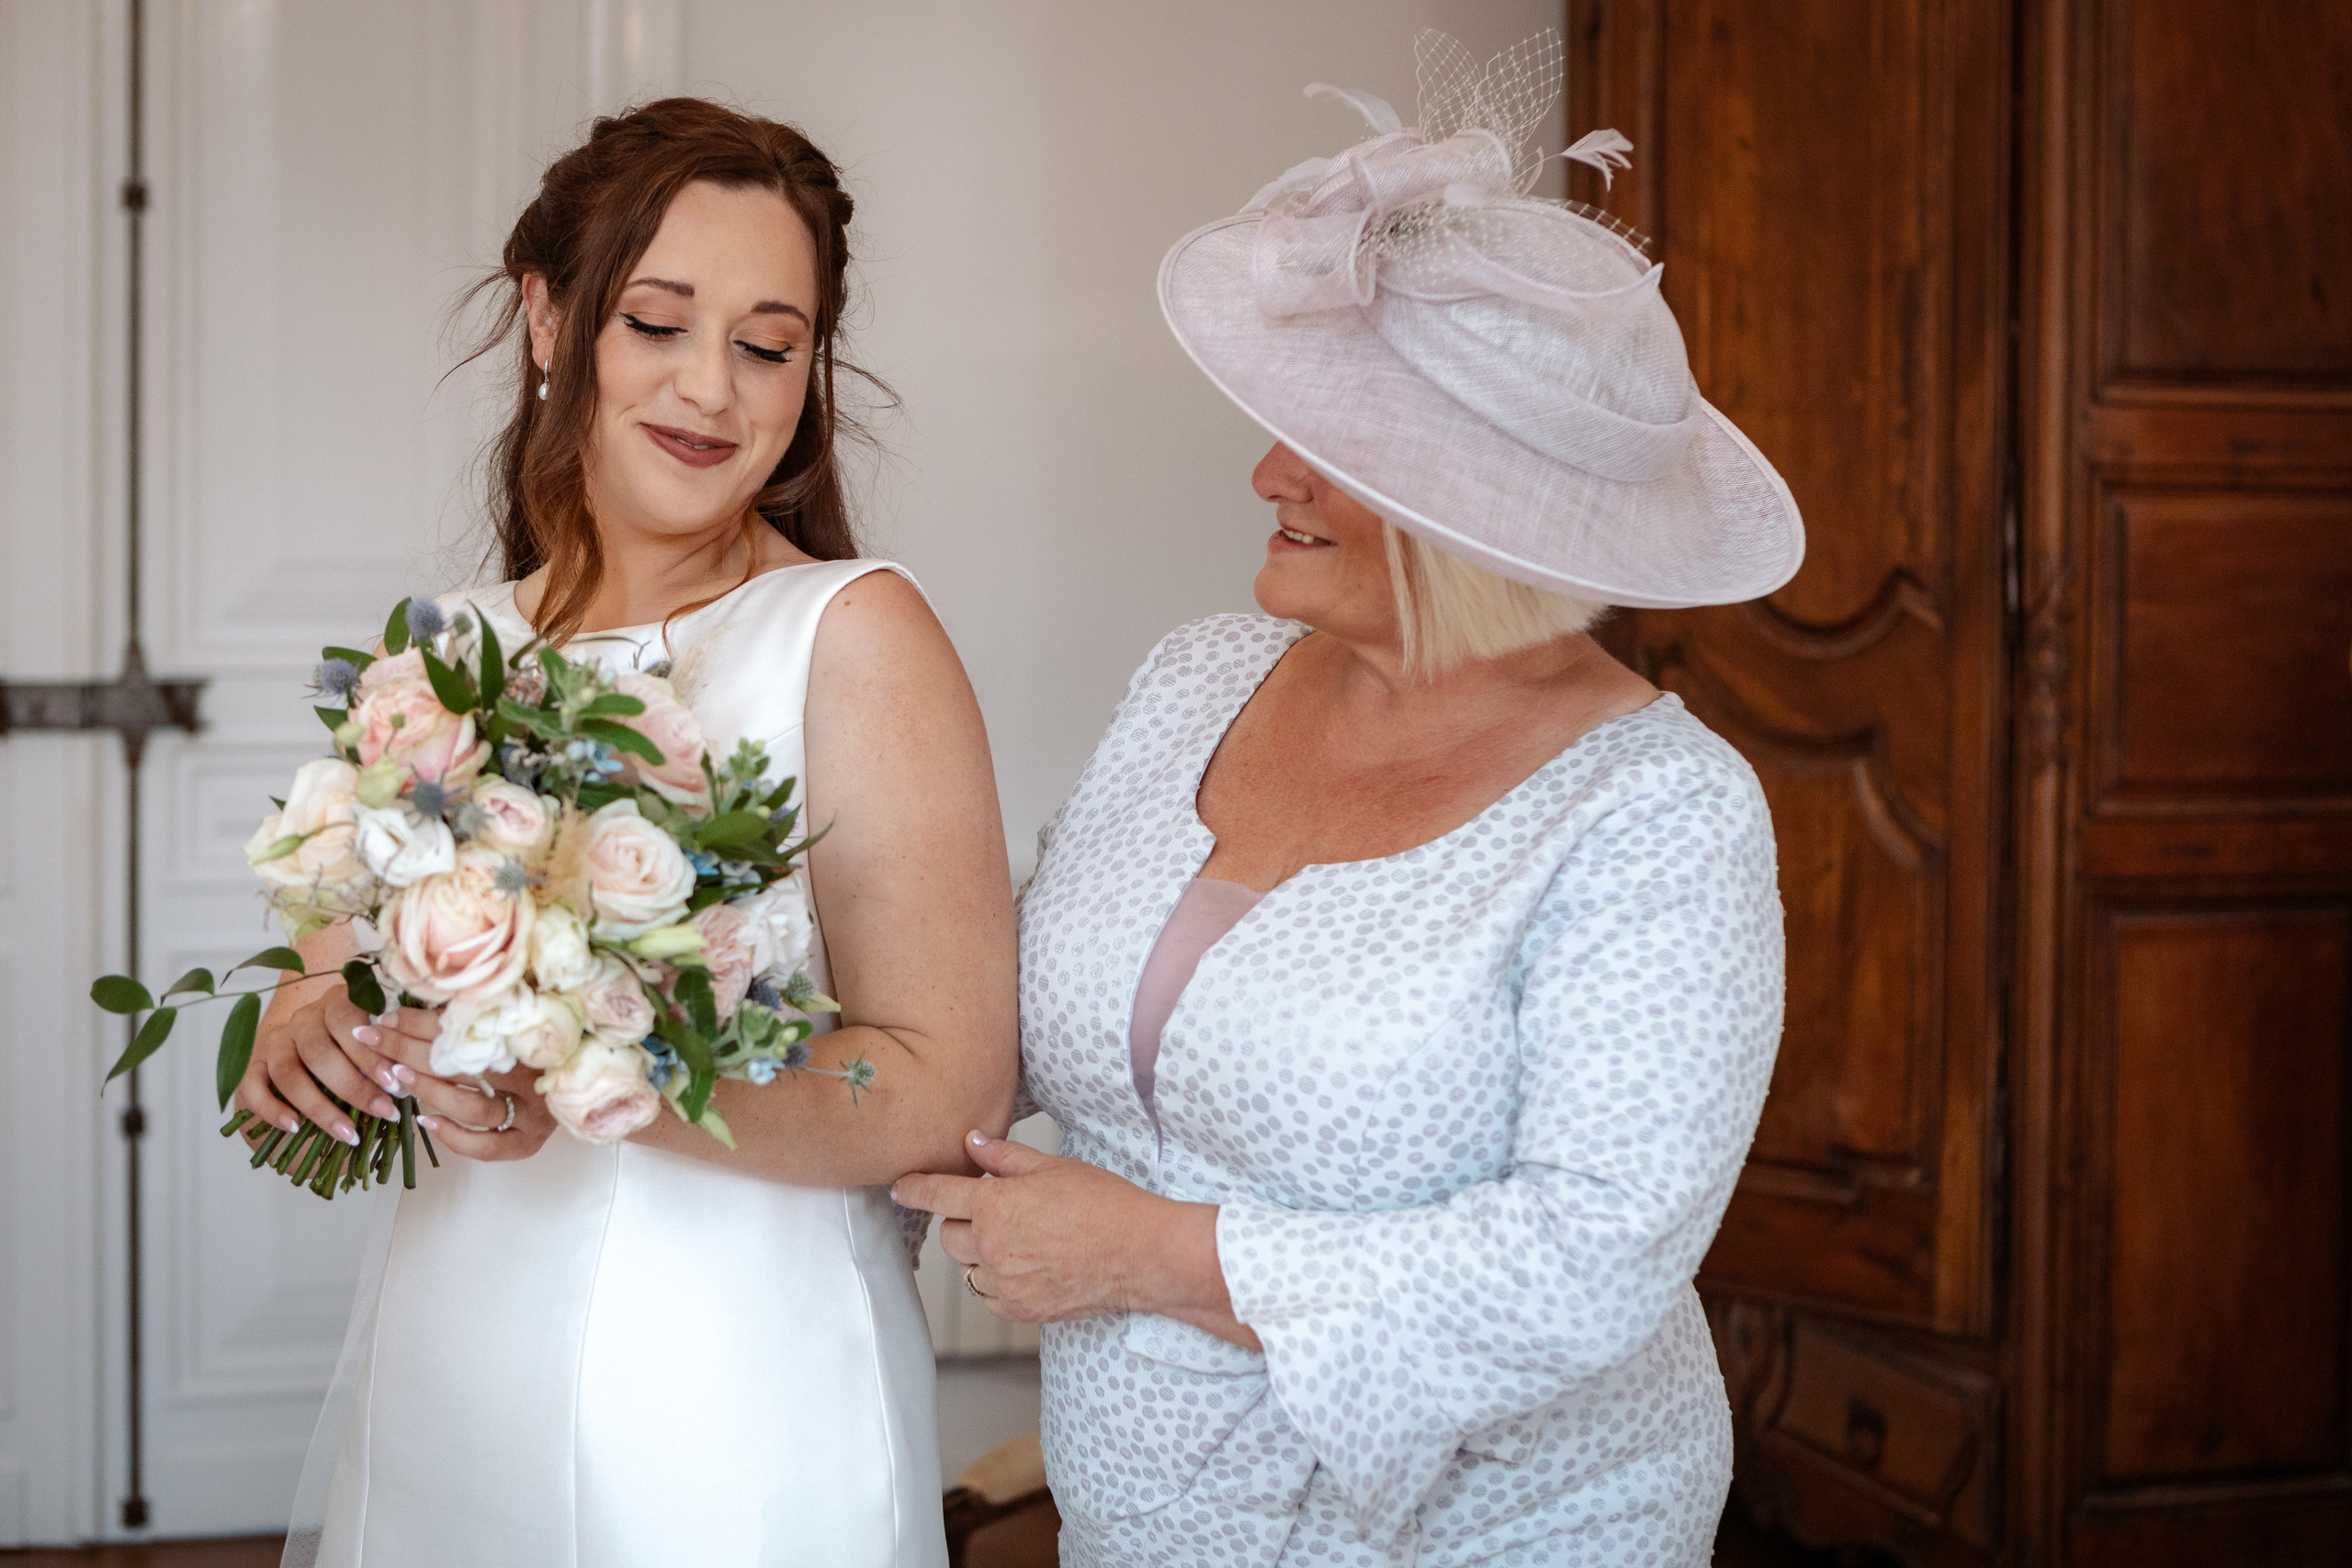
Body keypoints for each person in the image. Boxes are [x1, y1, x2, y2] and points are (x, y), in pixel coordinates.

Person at [893, 34, 1802, 1568]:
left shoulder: (1661, 813)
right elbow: (994, 1016)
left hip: (1505, 1528)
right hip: (1150, 1510)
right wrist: (674, 1001)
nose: (1268, 473)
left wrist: (1157, 1256)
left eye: (1335, 447)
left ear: (1481, 513)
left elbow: (1591, 1256)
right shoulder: (1197, 678)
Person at [237, 99, 1017, 1567]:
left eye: (767, 345)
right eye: (658, 323)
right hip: (454, 1360)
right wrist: (308, 1032)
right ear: (550, 318)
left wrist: (600, 1080)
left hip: (733, 1395)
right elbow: (353, 986)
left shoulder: (851, 636)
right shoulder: (438, 660)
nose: (710, 389)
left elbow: (943, 1087)